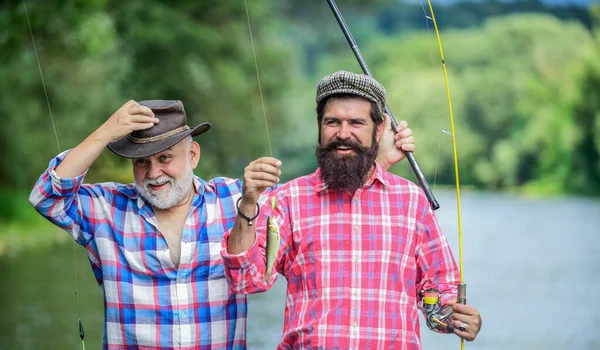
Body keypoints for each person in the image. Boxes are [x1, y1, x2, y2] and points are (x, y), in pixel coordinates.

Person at [29, 98, 416, 349]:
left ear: (193, 154)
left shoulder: (234, 199)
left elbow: (317, 204)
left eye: (165, 158)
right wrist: (105, 132)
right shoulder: (106, 208)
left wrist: (376, 163)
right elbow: (47, 197)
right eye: (141, 162)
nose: (153, 172)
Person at [221, 71, 482, 349]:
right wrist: (248, 203)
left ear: (379, 129)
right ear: (320, 126)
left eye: (356, 122)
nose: (343, 133)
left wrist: (456, 319)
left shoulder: (412, 202)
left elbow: (439, 296)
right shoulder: (287, 199)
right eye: (333, 122)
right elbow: (245, 281)